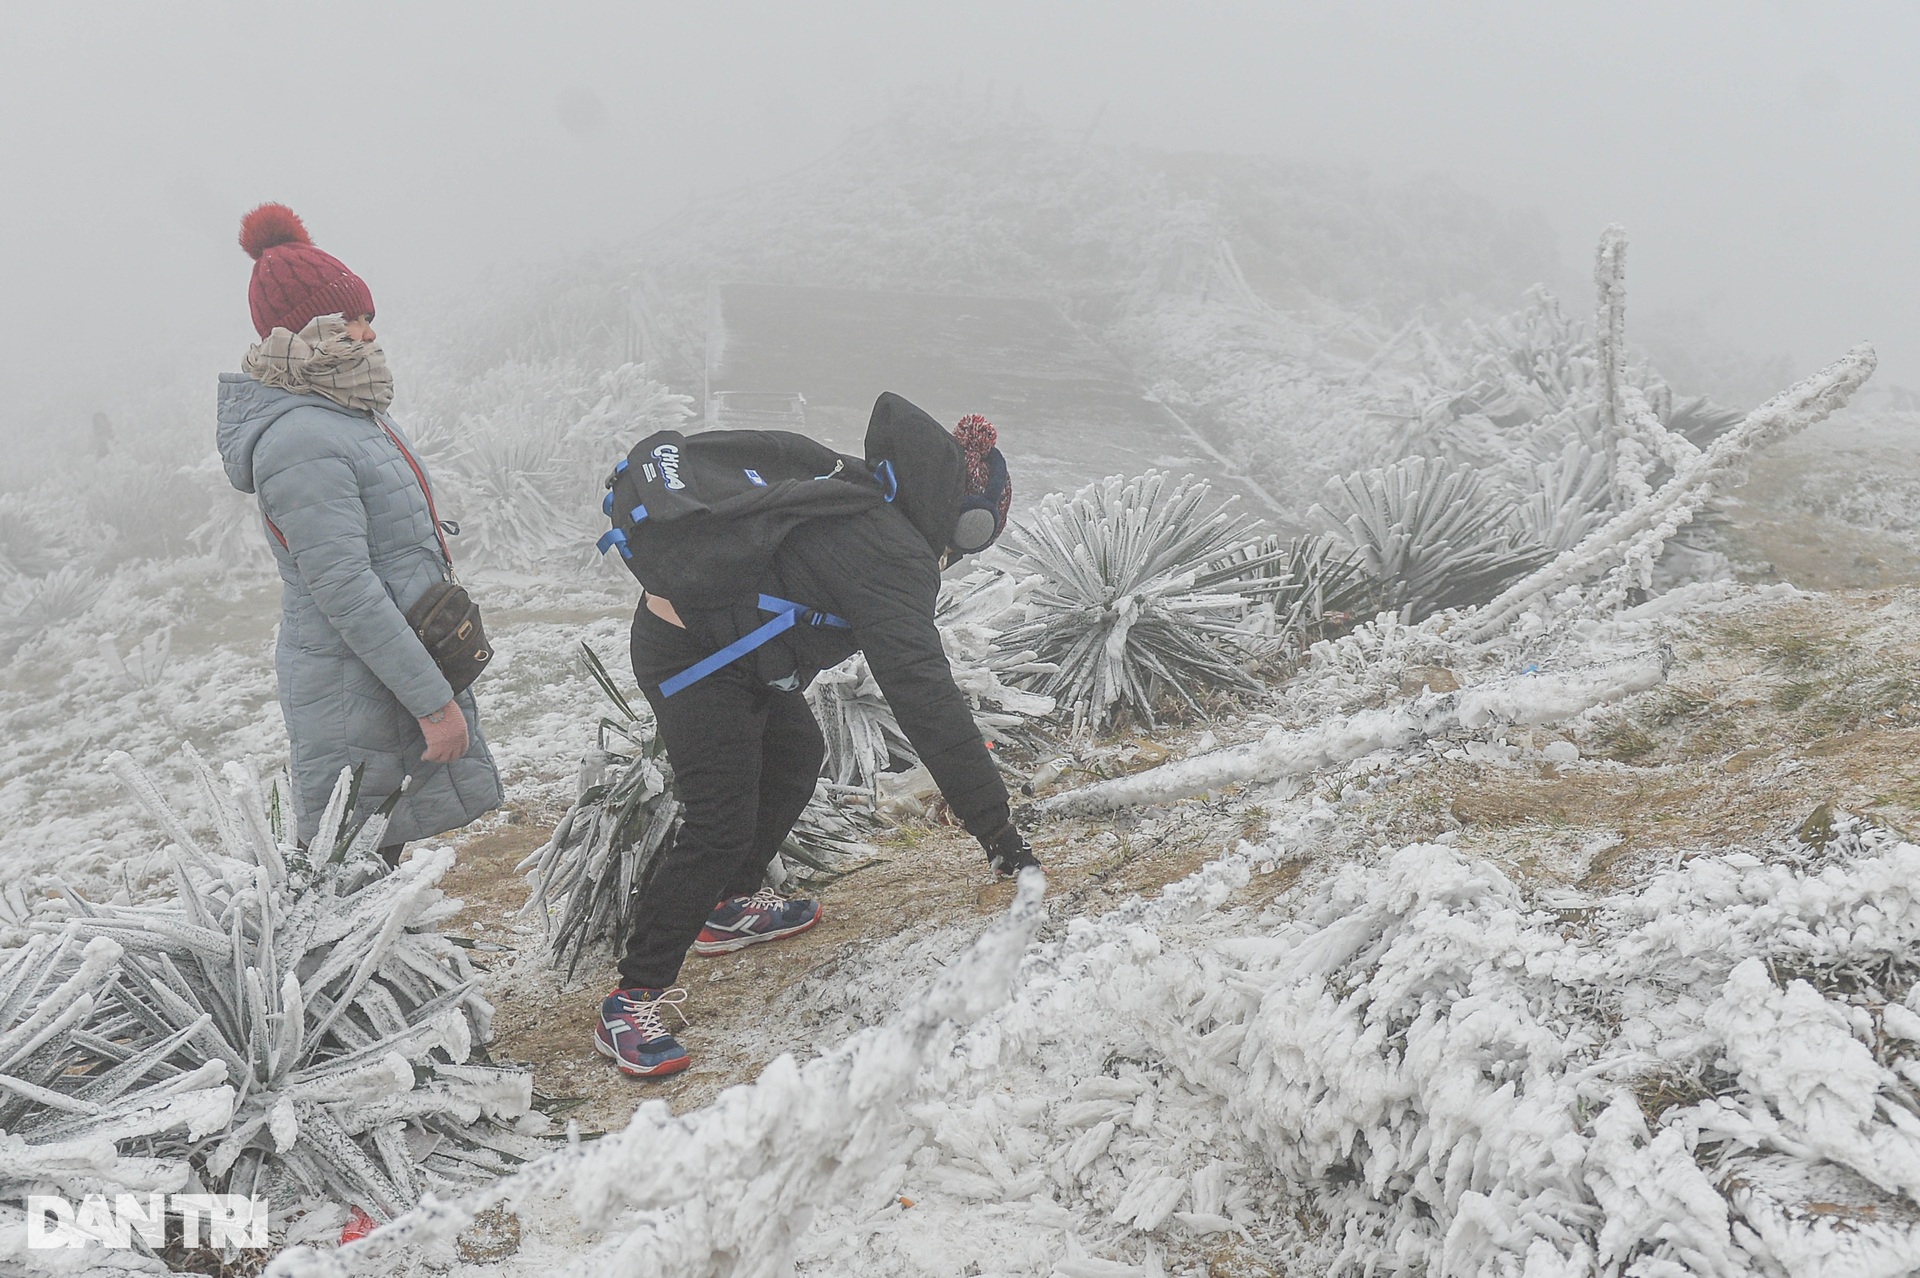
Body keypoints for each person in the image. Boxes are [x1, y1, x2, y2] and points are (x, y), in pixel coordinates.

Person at [595, 399, 1040, 1079]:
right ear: (966, 519)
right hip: (696, 663)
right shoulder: (892, 553)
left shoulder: (869, 494)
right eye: (980, 534)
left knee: (797, 754)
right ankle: (632, 998)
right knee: (720, 821)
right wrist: (999, 834)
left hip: (730, 655)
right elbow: (925, 696)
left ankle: (725, 906)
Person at [215, 203, 501, 862]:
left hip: (382, 674)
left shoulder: (349, 414)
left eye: (369, 317)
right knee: (353, 879)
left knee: (373, 866)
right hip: (352, 689)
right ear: (305, 329)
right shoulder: (301, 438)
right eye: (350, 319)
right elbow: (345, 589)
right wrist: (434, 705)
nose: (367, 334)